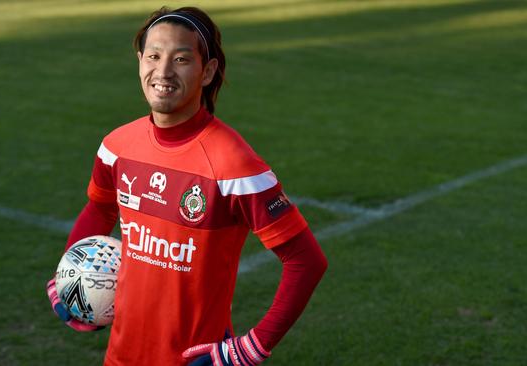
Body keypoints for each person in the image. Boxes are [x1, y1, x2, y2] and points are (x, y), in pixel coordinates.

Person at [45, 6, 328, 366]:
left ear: (207, 71)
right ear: (139, 61)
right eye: (153, 56)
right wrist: (68, 277)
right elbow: (100, 208)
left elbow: (306, 261)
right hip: (120, 357)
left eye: (180, 59)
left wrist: (253, 346)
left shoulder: (234, 164)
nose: (162, 72)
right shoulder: (116, 147)